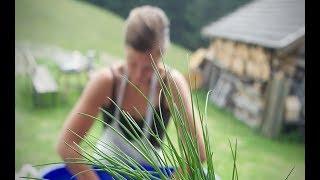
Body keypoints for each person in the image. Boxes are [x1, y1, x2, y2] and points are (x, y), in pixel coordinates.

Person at [56, 5, 206, 180]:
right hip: (106, 169)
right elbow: (66, 144)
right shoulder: (106, 81)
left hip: (150, 173)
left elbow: (198, 153)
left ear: (162, 55)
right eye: (132, 63)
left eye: (149, 67)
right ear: (125, 49)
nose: (138, 75)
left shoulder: (172, 85)